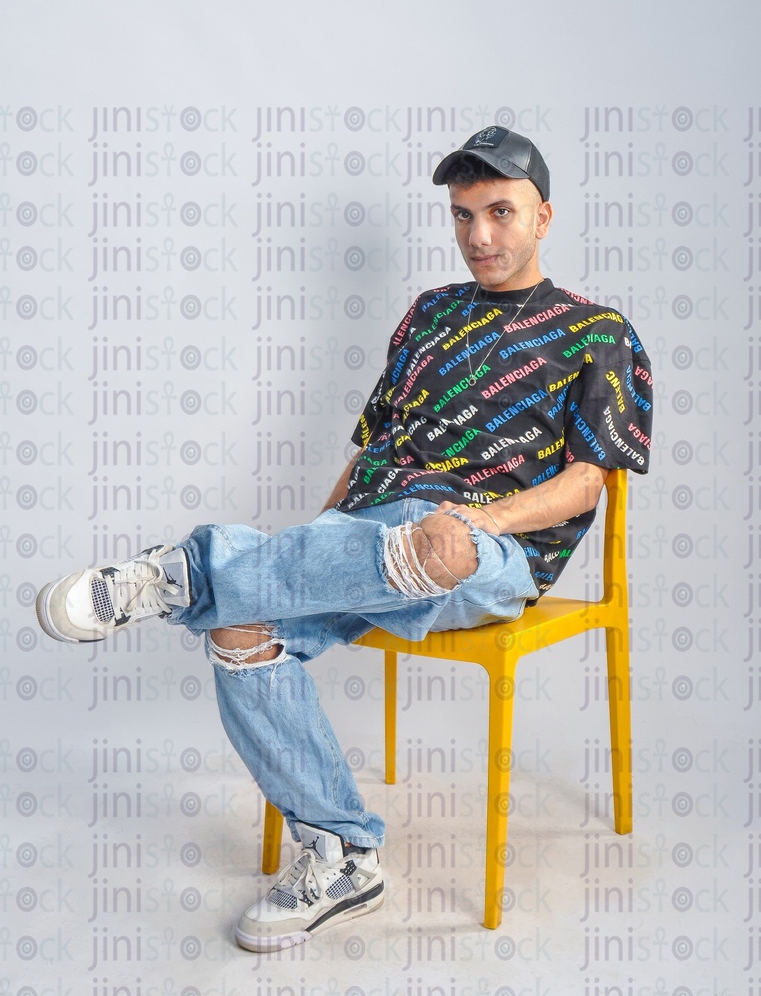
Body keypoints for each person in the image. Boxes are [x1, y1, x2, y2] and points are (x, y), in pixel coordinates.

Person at [36, 126, 653, 952]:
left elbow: (586, 482)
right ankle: (341, 855)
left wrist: (486, 518)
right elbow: (372, 451)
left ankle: (185, 571)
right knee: (239, 627)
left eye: (499, 212)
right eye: (462, 214)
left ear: (542, 217)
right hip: (367, 538)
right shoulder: (429, 314)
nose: (478, 235)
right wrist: (314, 544)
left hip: (484, 552)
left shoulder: (596, 331)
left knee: (433, 538)